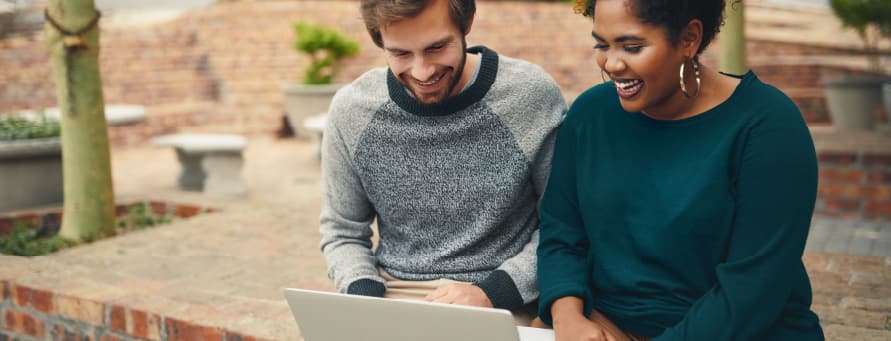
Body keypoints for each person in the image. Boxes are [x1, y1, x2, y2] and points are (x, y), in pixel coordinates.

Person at [536, 0, 825, 340]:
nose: (610, 63)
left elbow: (752, 289)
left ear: (689, 38)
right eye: (602, 44)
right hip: (608, 323)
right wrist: (568, 318)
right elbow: (561, 234)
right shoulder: (590, 115)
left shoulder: (768, 127)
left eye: (632, 46)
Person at [319, 0, 566, 324]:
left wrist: (492, 292)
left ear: (466, 23)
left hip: (501, 298)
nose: (422, 72)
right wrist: (366, 305)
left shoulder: (529, 97)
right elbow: (343, 232)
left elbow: (563, 227)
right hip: (391, 295)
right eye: (401, 54)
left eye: (436, 47)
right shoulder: (352, 111)